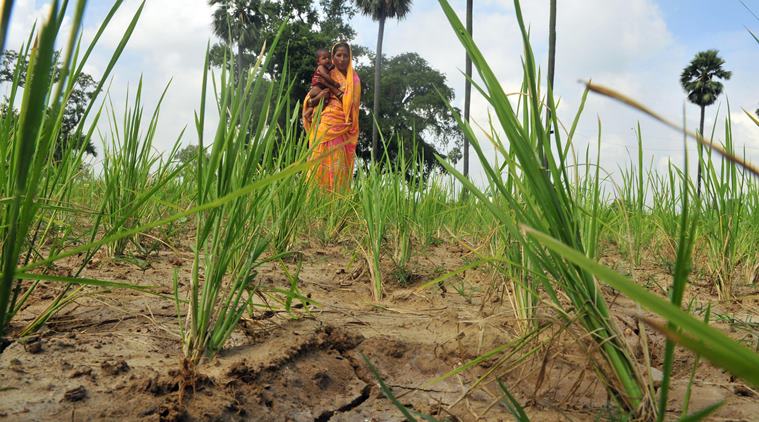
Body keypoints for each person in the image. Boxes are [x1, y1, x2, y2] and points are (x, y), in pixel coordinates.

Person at [303, 42, 361, 192]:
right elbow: (309, 100)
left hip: (342, 126)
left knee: (338, 167)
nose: (342, 59)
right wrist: (317, 98)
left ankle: (337, 206)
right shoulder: (326, 72)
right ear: (332, 57)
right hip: (323, 124)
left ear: (350, 58)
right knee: (317, 162)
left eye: (345, 55)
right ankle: (314, 203)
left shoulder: (354, 79)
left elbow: (351, 104)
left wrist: (331, 88)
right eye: (338, 55)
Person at [304, 48, 343, 122]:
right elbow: (325, 76)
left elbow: (331, 68)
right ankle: (316, 115)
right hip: (316, 88)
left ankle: (308, 113)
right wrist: (334, 83)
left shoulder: (326, 68)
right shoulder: (320, 67)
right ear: (318, 62)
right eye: (324, 58)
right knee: (326, 95)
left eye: (328, 58)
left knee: (323, 102)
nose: (327, 60)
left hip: (318, 89)